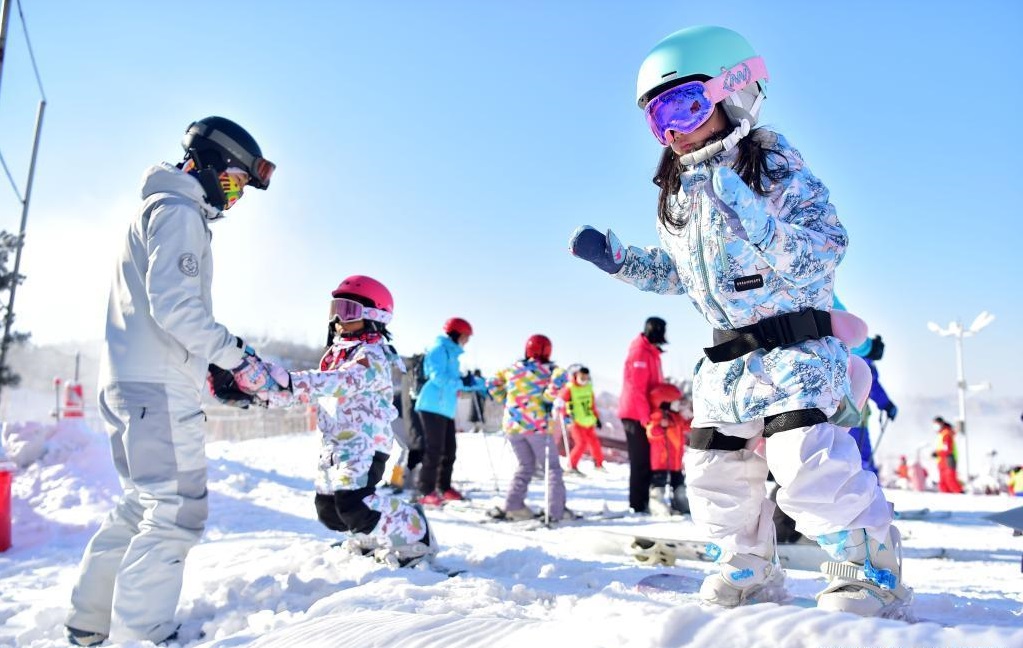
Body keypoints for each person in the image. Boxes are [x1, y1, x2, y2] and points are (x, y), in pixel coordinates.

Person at [569, 26, 909, 617]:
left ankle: (869, 571)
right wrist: (621, 261)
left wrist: (746, 208)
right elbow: (683, 274)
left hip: (795, 346)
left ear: (735, 94)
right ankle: (747, 566)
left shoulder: (771, 162)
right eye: (657, 120)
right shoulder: (679, 191)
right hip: (729, 359)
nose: (671, 130)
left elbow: (824, 247)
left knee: (805, 460)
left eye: (683, 106)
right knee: (712, 466)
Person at [65, 117, 283, 646]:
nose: (231, 200)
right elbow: (177, 308)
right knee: (175, 511)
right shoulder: (179, 212)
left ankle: (89, 623)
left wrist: (208, 368)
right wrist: (236, 357)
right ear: (204, 164)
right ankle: (144, 634)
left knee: (142, 504)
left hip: (131, 382)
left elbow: (158, 311)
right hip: (155, 391)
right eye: (232, 183)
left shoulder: (158, 208)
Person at [261, 275, 434, 564]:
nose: (339, 319)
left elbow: (339, 382)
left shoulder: (372, 355)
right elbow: (314, 391)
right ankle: (371, 535)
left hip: (364, 442)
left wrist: (289, 381)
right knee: (328, 511)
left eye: (349, 311)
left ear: (374, 317)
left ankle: (415, 531)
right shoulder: (336, 354)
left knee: (355, 503)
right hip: (334, 445)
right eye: (336, 309)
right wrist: (262, 392)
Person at [486, 335, 573, 522]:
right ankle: (556, 512)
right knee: (552, 469)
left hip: (513, 426)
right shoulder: (548, 370)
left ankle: (513, 506)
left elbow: (492, 382)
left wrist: (506, 400)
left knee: (525, 466)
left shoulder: (512, 369)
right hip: (537, 427)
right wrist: (549, 397)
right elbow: (561, 378)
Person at [414, 317, 477, 506]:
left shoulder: (453, 354)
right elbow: (437, 378)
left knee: (449, 450)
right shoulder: (438, 349)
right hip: (431, 405)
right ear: (456, 334)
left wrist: (470, 382)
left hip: (446, 408)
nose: (467, 340)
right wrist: (461, 382)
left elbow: (453, 381)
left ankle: (444, 487)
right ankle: (425, 490)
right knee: (435, 449)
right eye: (466, 336)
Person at [617, 317, 667, 513]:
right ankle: (637, 506)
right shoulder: (640, 352)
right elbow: (637, 389)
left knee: (649, 459)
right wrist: (646, 418)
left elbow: (654, 386)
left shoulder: (652, 352)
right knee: (640, 461)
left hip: (647, 413)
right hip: (635, 413)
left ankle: (646, 502)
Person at [847, 334, 898, 474]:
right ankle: (869, 491)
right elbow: (872, 385)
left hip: (832, 413)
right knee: (861, 457)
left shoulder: (840, 347)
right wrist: (887, 404)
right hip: (854, 414)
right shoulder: (863, 360)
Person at [646, 382, 691, 516]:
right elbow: (651, 432)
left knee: (678, 483)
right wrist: (660, 426)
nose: (678, 404)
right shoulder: (656, 416)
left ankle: (680, 502)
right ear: (664, 402)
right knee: (659, 483)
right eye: (676, 401)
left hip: (675, 462)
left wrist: (697, 421)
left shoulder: (676, 417)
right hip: (661, 461)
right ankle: (657, 504)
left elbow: (687, 426)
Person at [559, 366, 606, 476]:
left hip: (588, 420)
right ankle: (572, 466)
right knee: (581, 443)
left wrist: (597, 418)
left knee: (595, 443)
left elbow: (592, 404)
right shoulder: (569, 388)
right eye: (582, 376)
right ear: (577, 375)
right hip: (576, 421)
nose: (584, 378)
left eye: (586, 376)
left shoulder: (588, 387)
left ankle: (598, 464)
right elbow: (561, 402)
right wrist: (565, 416)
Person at [932, 416, 964, 493]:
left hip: (948, 459)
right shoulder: (941, 434)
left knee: (950, 480)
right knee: (943, 483)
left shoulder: (946, 434)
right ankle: (947, 500)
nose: (934, 426)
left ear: (941, 423)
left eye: (936, 424)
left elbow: (947, 450)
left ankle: (961, 496)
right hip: (941, 461)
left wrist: (937, 453)